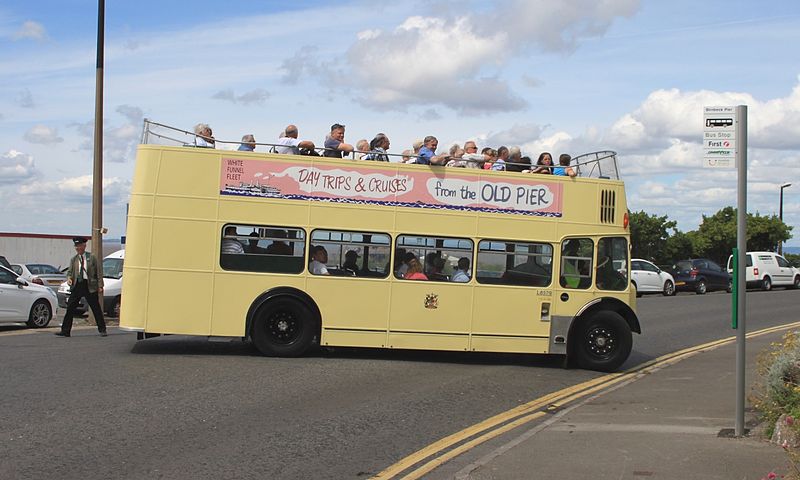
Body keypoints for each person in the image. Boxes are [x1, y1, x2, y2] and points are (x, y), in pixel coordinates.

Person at [56, 237, 107, 337]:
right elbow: (70, 272)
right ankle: (65, 330)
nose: (78, 248)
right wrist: (69, 278)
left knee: (95, 307)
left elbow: (98, 272)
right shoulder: (74, 259)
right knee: (70, 307)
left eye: (79, 246)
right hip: (78, 285)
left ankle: (102, 329)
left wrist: (100, 285)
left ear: (84, 246)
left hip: (89, 285)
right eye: (76, 246)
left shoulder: (91, 258)